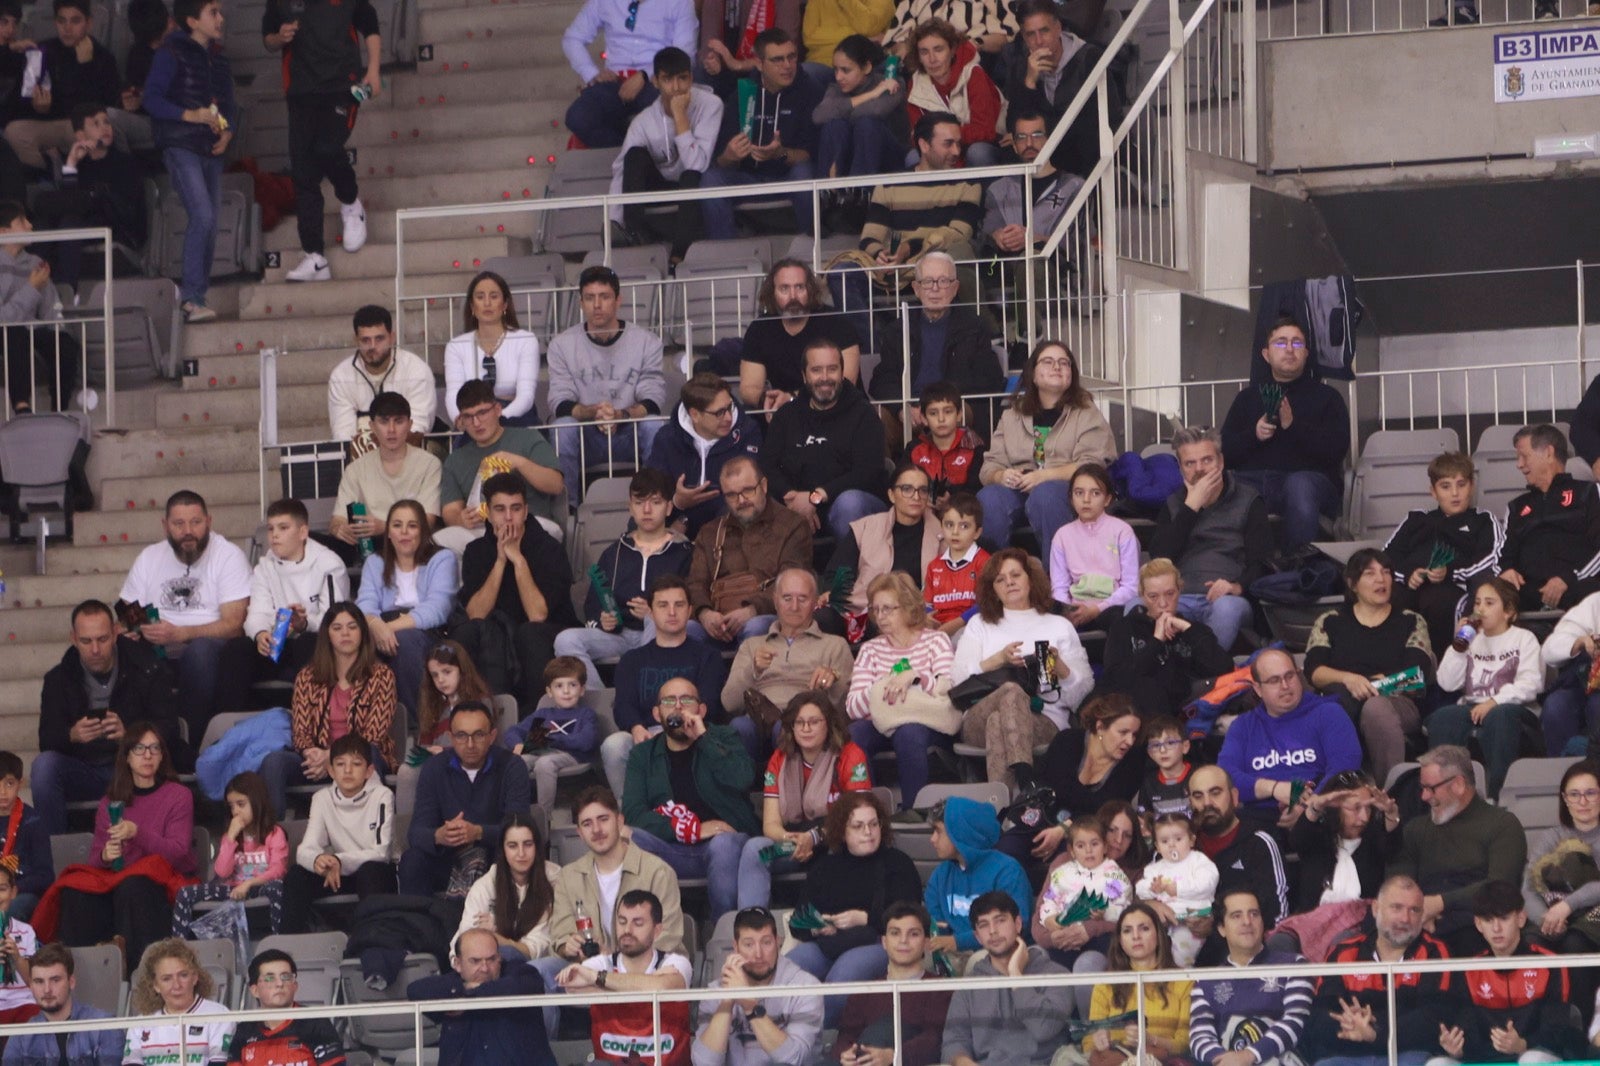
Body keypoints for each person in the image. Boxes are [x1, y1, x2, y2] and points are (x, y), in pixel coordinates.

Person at [46, 725, 193, 977]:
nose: (147, 755)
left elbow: (178, 852)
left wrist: (137, 833)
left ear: (161, 756)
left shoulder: (179, 795)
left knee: (133, 886)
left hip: (160, 882)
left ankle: (141, 975)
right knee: (74, 890)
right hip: (118, 881)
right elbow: (95, 859)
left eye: (154, 749)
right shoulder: (110, 802)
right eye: (139, 749)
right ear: (126, 756)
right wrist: (106, 855)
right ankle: (83, 976)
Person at [36, 598, 181, 834]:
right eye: (86, 641)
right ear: (73, 639)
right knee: (44, 767)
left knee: (149, 763)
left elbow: (169, 728)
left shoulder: (147, 667)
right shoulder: (58, 679)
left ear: (115, 633)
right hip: (84, 769)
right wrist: (71, 735)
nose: (95, 649)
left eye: (102, 639)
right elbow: (46, 740)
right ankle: (54, 856)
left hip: (132, 767)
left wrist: (131, 736)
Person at [116, 489, 250, 741]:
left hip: (209, 649)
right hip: (157, 648)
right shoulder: (149, 557)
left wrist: (181, 633)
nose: (188, 531)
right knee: (122, 646)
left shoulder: (228, 556)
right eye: (179, 524)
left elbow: (234, 625)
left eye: (196, 522)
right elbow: (125, 613)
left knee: (199, 651)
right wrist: (136, 628)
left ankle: (190, 740)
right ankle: (135, 743)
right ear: (165, 526)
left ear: (209, 521)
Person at [951, 548, 1093, 785]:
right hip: (978, 718)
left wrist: (1059, 667)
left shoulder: (1058, 626)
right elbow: (956, 678)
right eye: (1000, 579)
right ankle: (1027, 783)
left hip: (1044, 720)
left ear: (1031, 579)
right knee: (1010, 691)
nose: (1009, 582)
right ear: (993, 590)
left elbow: (1082, 695)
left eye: (1015, 575)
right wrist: (997, 660)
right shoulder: (979, 624)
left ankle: (1005, 809)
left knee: (999, 722)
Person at [262, 0, 379, 284]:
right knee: (303, 174)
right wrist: (280, 37)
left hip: (345, 87)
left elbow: (369, 22)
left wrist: (373, 70)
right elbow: (268, 37)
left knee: (327, 148)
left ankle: (351, 203)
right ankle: (314, 256)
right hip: (301, 92)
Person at [622, 677, 756, 920]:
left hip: (726, 845)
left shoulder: (725, 737)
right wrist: (691, 830)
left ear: (701, 710)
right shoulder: (643, 755)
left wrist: (703, 740)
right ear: (656, 713)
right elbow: (633, 814)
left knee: (723, 844)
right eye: (669, 701)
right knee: (628, 837)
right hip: (673, 847)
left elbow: (743, 779)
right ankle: (648, 931)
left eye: (686, 699)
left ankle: (725, 936)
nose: (678, 707)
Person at [1304, 548, 1437, 786]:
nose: (1381, 579)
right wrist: (1349, 679)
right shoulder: (1330, 621)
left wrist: (1371, 684)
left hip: (1397, 702)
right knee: (1333, 707)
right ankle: (1335, 789)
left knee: (1374, 707)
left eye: (1386, 572)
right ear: (1352, 583)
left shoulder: (1410, 620)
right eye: (1370, 573)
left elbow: (1415, 675)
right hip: (1345, 697)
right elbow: (1314, 671)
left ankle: (1390, 792)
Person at [1220, 317, 1350, 550]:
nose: (1290, 349)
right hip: (1256, 482)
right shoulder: (1247, 399)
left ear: (1306, 353)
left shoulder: (1328, 397)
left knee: (1298, 485)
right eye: (1281, 343)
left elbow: (1336, 450)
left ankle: (1299, 570)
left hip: (1311, 484)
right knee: (1219, 484)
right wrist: (1254, 434)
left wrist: (1293, 427)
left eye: (1297, 344)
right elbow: (1225, 454)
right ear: (1266, 354)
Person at [552, 468, 691, 687]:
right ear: (630, 507)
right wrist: (603, 620)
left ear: (668, 507)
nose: (646, 510)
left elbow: (689, 603)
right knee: (566, 640)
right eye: (639, 502)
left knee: (659, 626)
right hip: (619, 634)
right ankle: (604, 704)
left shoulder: (682, 551)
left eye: (655, 502)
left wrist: (654, 613)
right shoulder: (615, 552)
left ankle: (642, 698)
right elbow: (594, 601)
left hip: (659, 630)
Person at [456, 471, 580, 712]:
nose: (509, 517)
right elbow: (475, 613)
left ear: (525, 511)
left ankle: (534, 719)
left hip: (548, 631)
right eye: (500, 509)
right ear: (489, 514)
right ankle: (484, 715)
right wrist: (501, 561)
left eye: (515, 508)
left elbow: (538, 615)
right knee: (475, 632)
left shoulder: (548, 549)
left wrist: (519, 560)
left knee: (528, 633)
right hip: (498, 634)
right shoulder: (476, 551)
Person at [737, 691, 873, 909]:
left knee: (841, 850)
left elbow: (856, 816)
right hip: (792, 845)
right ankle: (753, 924)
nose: (806, 729)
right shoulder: (779, 758)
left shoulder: (850, 754)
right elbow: (770, 824)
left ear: (828, 724)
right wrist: (792, 838)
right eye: (799, 723)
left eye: (814, 722)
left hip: (834, 841)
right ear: (790, 727)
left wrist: (814, 837)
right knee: (755, 849)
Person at [977, 340, 1116, 552]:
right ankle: (995, 576)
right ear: (1033, 374)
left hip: (1064, 489)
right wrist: (1001, 476)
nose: (1057, 367)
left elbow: (1092, 465)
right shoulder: (1011, 416)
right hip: (1018, 489)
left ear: (1072, 374)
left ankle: (1056, 579)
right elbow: (989, 467)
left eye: (1064, 362)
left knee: (1046, 495)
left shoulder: (1087, 413)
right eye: (1048, 361)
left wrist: (1044, 476)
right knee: (990, 498)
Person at [1388, 744, 1526, 954]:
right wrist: (1418, 910)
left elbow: (1501, 885)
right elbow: (1399, 879)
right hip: (1419, 923)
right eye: (1422, 788)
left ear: (1459, 784)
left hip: (1476, 926)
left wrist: (1440, 903)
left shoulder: (1502, 824)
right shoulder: (1415, 829)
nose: (1424, 797)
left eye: (1430, 788)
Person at [547, 264, 668, 504]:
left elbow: (653, 399)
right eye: (590, 298)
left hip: (629, 433)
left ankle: (657, 502)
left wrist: (620, 414)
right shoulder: (561, 345)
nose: (597, 305)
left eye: (604, 297)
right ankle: (567, 510)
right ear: (581, 302)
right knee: (562, 427)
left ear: (618, 300)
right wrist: (594, 413)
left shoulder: (646, 342)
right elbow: (559, 402)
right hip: (587, 434)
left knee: (654, 425)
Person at [264, 602, 397, 816]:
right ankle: (275, 839)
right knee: (274, 762)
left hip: (361, 758)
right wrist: (314, 754)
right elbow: (301, 732)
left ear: (362, 633)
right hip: (317, 762)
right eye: (337, 628)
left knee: (369, 752)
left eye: (352, 627)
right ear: (327, 635)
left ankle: (376, 828)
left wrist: (331, 756)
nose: (345, 633)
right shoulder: (307, 677)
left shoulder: (381, 676)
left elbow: (373, 735)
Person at [1303, 875, 1452, 1066]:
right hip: (1347, 1056)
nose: (1405, 919)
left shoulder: (1434, 952)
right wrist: (1351, 1024)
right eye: (1396, 908)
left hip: (1410, 1056)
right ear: (1375, 909)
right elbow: (1318, 1017)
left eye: (1414, 910)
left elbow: (1434, 1019)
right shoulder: (1344, 952)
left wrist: (1375, 1031)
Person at [602, 574, 728, 797]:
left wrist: (684, 728)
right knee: (614, 745)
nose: (672, 612)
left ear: (690, 611)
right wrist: (636, 728)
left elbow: (709, 704)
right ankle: (629, 817)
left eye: (679, 605)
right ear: (650, 611)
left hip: (693, 731)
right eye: (663, 605)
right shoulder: (632, 660)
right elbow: (623, 705)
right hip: (646, 735)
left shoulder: (708, 657)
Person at [1150, 425, 1273, 653]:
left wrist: (1237, 586)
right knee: (1133, 606)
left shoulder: (1248, 500)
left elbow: (1262, 562)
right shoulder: (1174, 504)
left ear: (1221, 462)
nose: (1200, 469)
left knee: (1227, 609)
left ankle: (1204, 670)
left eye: (1207, 460)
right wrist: (1191, 507)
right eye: (1190, 463)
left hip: (1226, 599)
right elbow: (1159, 559)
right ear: (1180, 468)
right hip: (1178, 598)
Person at [220, 497, 349, 711]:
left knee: (308, 642)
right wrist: (261, 634)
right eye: (270, 529)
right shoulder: (265, 566)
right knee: (237, 649)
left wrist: (304, 624)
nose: (275, 535)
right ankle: (230, 724)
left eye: (283, 528)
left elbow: (336, 620)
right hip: (277, 645)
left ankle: (311, 723)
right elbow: (256, 613)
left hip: (315, 645)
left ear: (303, 532)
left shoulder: (329, 564)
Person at [1437, 880, 1585, 1066]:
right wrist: (1457, 1049)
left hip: (1536, 1052)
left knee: (1531, 1060)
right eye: (1488, 920)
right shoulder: (1469, 970)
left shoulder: (1549, 964)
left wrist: (1523, 1044)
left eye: (1504, 918)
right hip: (1485, 1059)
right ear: (1478, 924)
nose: (1496, 928)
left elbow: (1559, 1029)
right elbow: (1466, 1026)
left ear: (1521, 919)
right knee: (1438, 1064)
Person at [784, 791, 917, 989]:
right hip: (828, 943)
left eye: (873, 824)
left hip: (878, 942)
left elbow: (910, 917)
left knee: (841, 979)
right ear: (842, 830)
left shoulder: (898, 864)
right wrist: (817, 926)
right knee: (785, 971)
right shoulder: (825, 867)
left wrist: (864, 919)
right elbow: (797, 921)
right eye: (858, 826)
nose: (868, 832)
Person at [846, 571, 955, 809]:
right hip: (879, 723)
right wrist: (886, 684)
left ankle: (915, 810)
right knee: (854, 734)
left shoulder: (935, 641)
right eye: (876, 610)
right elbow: (853, 707)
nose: (880, 616)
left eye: (888, 609)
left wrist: (915, 676)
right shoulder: (870, 650)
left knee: (908, 732)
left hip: (924, 723)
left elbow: (947, 688)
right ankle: (867, 809)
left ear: (907, 607)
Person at [760, 339, 888, 543]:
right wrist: (790, 495)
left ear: (842, 372)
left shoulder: (864, 414)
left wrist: (817, 496)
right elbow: (767, 465)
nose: (825, 378)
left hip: (849, 506)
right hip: (794, 505)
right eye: (816, 370)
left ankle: (850, 572)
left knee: (850, 503)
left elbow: (868, 471)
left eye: (832, 369)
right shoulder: (786, 415)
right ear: (804, 375)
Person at [1217, 647, 1363, 823]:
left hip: (1319, 812)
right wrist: (1275, 788)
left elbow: (1344, 766)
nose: (1285, 686)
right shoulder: (1242, 726)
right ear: (1258, 689)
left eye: (1290, 676)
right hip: (1259, 818)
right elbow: (1224, 777)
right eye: (1274, 680)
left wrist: (1307, 807)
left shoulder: (1328, 712)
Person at [700, 29, 822, 240]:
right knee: (711, 179)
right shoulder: (743, 92)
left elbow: (810, 156)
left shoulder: (809, 90)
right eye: (777, 59)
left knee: (804, 174)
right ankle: (726, 257)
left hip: (788, 177)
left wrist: (780, 154)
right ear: (759, 63)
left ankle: (813, 244)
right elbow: (721, 161)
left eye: (791, 57)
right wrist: (728, 156)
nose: (787, 66)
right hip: (748, 177)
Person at [547, 786, 687, 971]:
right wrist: (569, 945)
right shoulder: (568, 876)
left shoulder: (657, 872)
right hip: (589, 970)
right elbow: (560, 934)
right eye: (587, 824)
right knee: (542, 970)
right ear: (579, 833)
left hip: (648, 971)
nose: (596, 829)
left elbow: (668, 937)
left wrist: (616, 962)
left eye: (603, 819)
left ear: (620, 822)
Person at [400, 701, 531, 897]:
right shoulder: (434, 768)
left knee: (509, 855)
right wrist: (439, 835)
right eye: (461, 736)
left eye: (478, 735)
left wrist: (478, 832)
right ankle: (420, 925)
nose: (470, 744)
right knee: (412, 860)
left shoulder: (512, 766)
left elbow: (519, 827)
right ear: (450, 738)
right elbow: (416, 833)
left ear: (492, 736)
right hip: (448, 859)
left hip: (493, 858)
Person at [1427, 577, 1543, 797]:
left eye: (1489, 603)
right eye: (1477, 603)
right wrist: (1458, 647)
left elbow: (1531, 684)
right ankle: (1444, 792)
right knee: (1443, 717)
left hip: (1514, 708)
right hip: (1473, 706)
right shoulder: (1471, 640)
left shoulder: (1523, 638)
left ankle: (1498, 795)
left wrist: (1494, 701)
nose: (1480, 609)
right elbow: (1447, 683)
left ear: (1508, 611)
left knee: (1500, 717)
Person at [722, 567, 850, 762]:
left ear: (815, 601)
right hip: (758, 721)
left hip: (805, 724)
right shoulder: (752, 645)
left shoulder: (834, 645)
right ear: (775, 600)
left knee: (783, 728)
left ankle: (786, 790)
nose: (794, 606)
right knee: (739, 727)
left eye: (803, 599)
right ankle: (741, 792)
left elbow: (848, 710)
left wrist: (833, 680)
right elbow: (729, 703)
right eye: (787, 598)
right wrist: (753, 670)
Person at [686, 456, 813, 649]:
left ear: (763, 485)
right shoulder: (709, 532)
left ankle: (747, 678)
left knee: (755, 627)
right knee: (684, 629)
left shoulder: (793, 525)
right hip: (717, 620)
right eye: (731, 495)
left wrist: (752, 610)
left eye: (747, 490)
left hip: (766, 615)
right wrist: (704, 613)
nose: (741, 500)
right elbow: (695, 583)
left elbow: (792, 583)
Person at [1383, 450, 1502, 656]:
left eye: (1461, 485)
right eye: (1445, 486)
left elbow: (1491, 560)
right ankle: (1402, 678)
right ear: (1433, 491)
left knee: (1438, 602)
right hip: (1411, 588)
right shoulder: (1416, 519)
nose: (1455, 493)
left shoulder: (1483, 521)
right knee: (1391, 600)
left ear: (1471, 487)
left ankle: (1444, 676)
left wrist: (1450, 572)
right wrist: (1409, 573)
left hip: (1458, 589)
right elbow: (1387, 558)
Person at [556, 889, 694, 1066]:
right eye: (622, 922)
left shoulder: (677, 962)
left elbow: (664, 987)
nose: (627, 930)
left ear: (657, 930)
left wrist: (598, 980)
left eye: (638, 923)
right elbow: (573, 988)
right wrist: (648, 983)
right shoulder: (600, 965)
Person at [279, 732, 397, 932]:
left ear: (369, 771)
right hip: (336, 873)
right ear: (331, 771)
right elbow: (305, 849)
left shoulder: (382, 795)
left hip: (375, 872)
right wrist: (318, 861)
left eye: (356, 764)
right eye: (341, 764)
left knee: (371, 871)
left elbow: (381, 853)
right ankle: (292, 944)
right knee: (297, 875)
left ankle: (374, 939)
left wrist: (339, 861)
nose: (348, 771)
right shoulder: (322, 798)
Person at [940, 890, 1072, 1066]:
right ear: (978, 937)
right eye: (984, 925)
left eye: (1000, 920)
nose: (993, 931)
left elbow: (1043, 1028)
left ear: (1017, 924)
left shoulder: (1057, 975)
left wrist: (1015, 975)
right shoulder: (969, 986)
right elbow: (953, 1041)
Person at [610, 48, 719, 258]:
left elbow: (696, 165)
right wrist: (613, 223)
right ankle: (634, 235)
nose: (676, 87)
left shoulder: (711, 105)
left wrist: (680, 117)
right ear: (655, 82)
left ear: (692, 78)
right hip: (660, 187)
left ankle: (678, 256)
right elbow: (621, 171)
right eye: (668, 80)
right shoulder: (644, 121)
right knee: (634, 155)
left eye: (683, 78)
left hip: (697, 187)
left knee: (690, 176)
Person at [355, 499, 459, 720]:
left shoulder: (441, 558)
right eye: (397, 525)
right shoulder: (375, 562)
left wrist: (387, 628)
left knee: (406, 640)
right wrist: (375, 625)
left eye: (412, 526)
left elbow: (437, 609)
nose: (404, 532)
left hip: (430, 632)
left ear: (422, 531)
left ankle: (418, 723)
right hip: (380, 629)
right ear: (388, 532)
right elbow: (364, 605)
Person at [870, 253, 1003, 425]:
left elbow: (990, 378)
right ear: (916, 289)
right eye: (927, 282)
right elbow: (883, 379)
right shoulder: (897, 329)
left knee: (960, 415)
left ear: (955, 288)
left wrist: (943, 406)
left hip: (954, 406)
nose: (935, 289)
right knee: (875, 419)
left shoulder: (974, 327)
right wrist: (902, 409)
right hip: (911, 410)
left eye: (943, 281)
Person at [1187, 889, 1313, 1066]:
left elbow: (1295, 1022)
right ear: (1221, 928)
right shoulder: (1206, 981)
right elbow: (1199, 1036)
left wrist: (1248, 1056)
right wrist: (1226, 1061)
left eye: (1254, 914)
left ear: (1262, 922)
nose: (1247, 922)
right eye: (1236, 916)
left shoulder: (1294, 966)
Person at [1095, 559, 1233, 719]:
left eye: (1170, 594)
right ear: (1142, 596)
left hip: (1184, 711)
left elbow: (1224, 668)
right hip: (1134, 712)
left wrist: (1188, 629)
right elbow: (1117, 679)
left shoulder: (1194, 630)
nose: (1163, 603)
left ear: (1179, 590)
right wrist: (1156, 641)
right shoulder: (1125, 627)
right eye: (1153, 596)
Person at [437, 380, 567, 549]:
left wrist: (519, 463)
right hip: (481, 532)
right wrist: (461, 519)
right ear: (461, 419)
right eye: (468, 417)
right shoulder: (456, 459)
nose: (476, 423)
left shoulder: (528, 439)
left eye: (482, 413)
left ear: (497, 410)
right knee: (440, 540)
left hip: (530, 524)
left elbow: (556, 485)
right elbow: (450, 510)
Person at [32, 103, 146, 292]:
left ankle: (68, 290)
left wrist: (93, 196)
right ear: (80, 136)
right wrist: (71, 164)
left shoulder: (125, 162)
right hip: (87, 222)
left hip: (118, 228)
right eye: (96, 124)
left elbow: (127, 212)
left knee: (69, 223)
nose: (105, 127)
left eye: (106, 122)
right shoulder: (82, 165)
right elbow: (68, 202)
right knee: (44, 222)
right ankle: (35, 288)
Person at [693, 907, 826, 1066]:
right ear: (735, 947)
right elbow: (703, 1063)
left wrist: (749, 1005)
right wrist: (727, 1001)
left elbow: (793, 1058)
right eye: (748, 944)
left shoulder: (805, 988)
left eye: (766, 942)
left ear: (778, 942)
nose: (758, 954)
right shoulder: (716, 992)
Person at [1001, 0, 1121, 177]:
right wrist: (1029, 82)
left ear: (1058, 28)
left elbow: (1103, 120)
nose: (1039, 41)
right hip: (1044, 154)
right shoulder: (1022, 67)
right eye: (1031, 35)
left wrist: (1040, 133)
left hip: (1084, 153)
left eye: (1044, 31)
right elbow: (1013, 126)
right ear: (1025, 38)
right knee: (1005, 152)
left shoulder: (1089, 58)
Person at [408, 927, 557, 1066]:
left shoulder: (521, 974)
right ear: (458, 964)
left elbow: (525, 985)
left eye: (491, 959)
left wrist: (469, 996)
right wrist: (465, 988)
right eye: (475, 961)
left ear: (499, 957)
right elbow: (415, 991)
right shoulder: (453, 984)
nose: (485, 968)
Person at [830, 902, 954, 1066]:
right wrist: (846, 1054)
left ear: (926, 943)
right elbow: (846, 1036)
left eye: (913, 934)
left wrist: (894, 1056)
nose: (903, 940)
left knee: (886, 1029)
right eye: (895, 933)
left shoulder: (941, 989)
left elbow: (935, 1039)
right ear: (884, 942)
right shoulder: (864, 991)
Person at [1186, 765, 1290, 959]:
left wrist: (1218, 925)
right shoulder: (1181, 845)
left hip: (1247, 957)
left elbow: (1278, 916)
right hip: (1182, 957)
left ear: (1234, 796)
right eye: (1198, 796)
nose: (1207, 803)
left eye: (1215, 793)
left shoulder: (1259, 842)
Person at [561, 0, 696, 149]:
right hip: (615, 81)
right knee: (578, 117)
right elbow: (572, 38)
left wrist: (645, 74)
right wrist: (592, 74)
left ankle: (640, 159)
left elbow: (684, 52)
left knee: (665, 116)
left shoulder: (679, 2)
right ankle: (624, 155)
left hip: (657, 81)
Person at [3, 0, 120, 170]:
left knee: (94, 130)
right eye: (62, 21)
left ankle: (77, 175)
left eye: (75, 21)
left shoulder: (103, 58)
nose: (67, 28)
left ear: (88, 23)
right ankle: (49, 173)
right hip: (49, 124)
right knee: (15, 132)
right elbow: (20, 97)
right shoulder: (44, 50)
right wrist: (38, 108)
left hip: (82, 126)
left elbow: (102, 107)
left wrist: (85, 66)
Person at [1498, 423, 1600, 612]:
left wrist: (1567, 578)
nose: (1519, 464)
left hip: (1578, 586)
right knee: (1488, 599)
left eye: (1524, 456)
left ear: (1548, 453)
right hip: (1527, 592)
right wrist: (1506, 571)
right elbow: (1503, 556)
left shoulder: (1589, 493)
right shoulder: (1516, 507)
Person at [648, 371, 764, 538]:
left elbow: (745, 494)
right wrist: (677, 502)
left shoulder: (748, 432)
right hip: (675, 520)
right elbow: (651, 492)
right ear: (695, 415)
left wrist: (686, 517)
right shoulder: (667, 438)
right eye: (719, 413)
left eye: (729, 407)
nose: (728, 417)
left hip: (728, 524)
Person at [171, 771, 286, 937]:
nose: (236, 812)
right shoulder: (230, 836)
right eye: (232, 806)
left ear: (257, 801)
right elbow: (222, 872)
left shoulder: (274, 833)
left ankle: (279, 940)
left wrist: (249, 884)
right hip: (232, 889)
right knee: (185, 893)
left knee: (278, 887)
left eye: (241, 804)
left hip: (259, 887)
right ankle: (179, 948)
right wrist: (230, 838)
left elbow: (278, 870)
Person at [738, 260, 862, 413]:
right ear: (772, 293)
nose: (793, 296)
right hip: (786, 415)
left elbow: (847, 382)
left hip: (838, 409)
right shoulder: (759, 329)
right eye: (784, 289)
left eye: (800, 287)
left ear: (810, 290)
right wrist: (770, 400)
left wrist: (792, 398)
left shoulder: (837, 323)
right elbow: (749, 388)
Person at [332, 393, 443, 557]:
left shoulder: (429, 464)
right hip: (367, 544)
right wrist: (341, 529)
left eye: (398, 421)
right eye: (384, 422)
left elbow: (427, 522)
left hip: (412, 542)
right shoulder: (355, 469)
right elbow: (337, 520)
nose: (391, 430)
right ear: (372, 426)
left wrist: (385, 527)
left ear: (410, 424)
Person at [824, 463, 941, 619]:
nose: (916, 496)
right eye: (907, 489)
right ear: (891, 495)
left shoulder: (942, 533)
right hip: (865, 611)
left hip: (916, 616)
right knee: (824, 617)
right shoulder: (866, 527)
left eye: (923, 490)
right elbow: (837, 574)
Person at [1081, 904, 1192, 1066]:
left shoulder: (1183, 981)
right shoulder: (1106, 984)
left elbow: (1185, 1044)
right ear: (1120, 940)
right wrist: (1097, 1041)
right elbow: (1088, 1043)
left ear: (1158, 934)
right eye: (1127, 930)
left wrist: (1151, 1039)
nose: (1135, 936)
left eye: (1144, 928)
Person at [1286, 770, 1402, 918]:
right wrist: (1316, 807)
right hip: (1313, 923)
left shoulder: (1374, 838)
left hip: (1362, 927)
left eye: (1368, 808)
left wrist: (1391, 813)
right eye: (1355, 808)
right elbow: (1297, 840)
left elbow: (1393, 846)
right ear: (1336, 807)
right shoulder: (1318, 838)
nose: (1364, 818)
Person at [924, 797, 1032, 954]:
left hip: (1000, 952)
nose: (932, 839)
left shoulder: (1007, 871)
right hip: (951, 953)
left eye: (938, 831)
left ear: (959, 833)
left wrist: (957, 942)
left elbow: (1016, 926)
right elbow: (936, 924)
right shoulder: (940, 875)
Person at [456, 812, 560, 962]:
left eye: (528, 844)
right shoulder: (486, 884)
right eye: (512, 846)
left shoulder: (555, 879)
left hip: (538, 968)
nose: (521, 853)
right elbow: (465, 943)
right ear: (503, 849)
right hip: (488, 966)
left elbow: (534, 950)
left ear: (537, 846)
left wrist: (494, 936)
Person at [327, 305, 438, 442]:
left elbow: (418, 428)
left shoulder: (416, 369)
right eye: (365, 340)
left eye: (379, 339)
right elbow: (343, 435)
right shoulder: (341, 376)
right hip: (360, 458)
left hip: (410, 453)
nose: (372, 346)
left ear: (392, 338)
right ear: (356, 340)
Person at [0, 941, 121, 1066]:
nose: (47, 989)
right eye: (39, 981)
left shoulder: (104, 1027)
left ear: (71, 982)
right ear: (31, 986)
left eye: (55, 980)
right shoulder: (21, 1037)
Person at [442, 271, 539, 426]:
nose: (487, 303)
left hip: (513, 417)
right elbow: (453, 394)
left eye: (494, 296)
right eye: (480, 297)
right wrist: (460, 418)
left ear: (505, 304)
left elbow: (526, 396)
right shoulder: (456, 346)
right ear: (472, 306)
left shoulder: (525, 340)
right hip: (472, 419)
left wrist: (496, 418)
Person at [1033, 816, 1133, 968]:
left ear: (1105, 847)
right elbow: (1049, 901)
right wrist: (1049, 919)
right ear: (1072, 851)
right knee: (1045, 957)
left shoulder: (1115, 876)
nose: (1088, 850)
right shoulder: (1062, 873)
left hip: (1099, 939)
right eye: (1080, 846)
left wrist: (1105, 913)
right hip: (1064, 935)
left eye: (1095, 844)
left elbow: (1125, 910)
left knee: (1102, 948)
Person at [1049, 463, 1140, 628]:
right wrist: (1067, 611)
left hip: (1112, 607)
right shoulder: (1062, 536)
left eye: (1095, 493)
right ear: (1071, 498)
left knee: (1121, 620)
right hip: (1075, 608)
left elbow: (1131, 586)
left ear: (1107, 499)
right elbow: (1060, 587)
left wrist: (1097, 609)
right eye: (1079, 493)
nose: (1086, 500)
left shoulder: (1122, 531)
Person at [982, 109, 1084, 256]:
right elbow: (987, 233)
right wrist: (997, 235)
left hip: (1055, 271)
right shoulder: (999, 189)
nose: (1029, 143)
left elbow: (1077, 243)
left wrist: (1033, 239)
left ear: (1050, 140)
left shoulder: (1074, 187)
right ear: (1015, 146)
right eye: (1021, 137)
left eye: (1036, 135)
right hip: (1007, 271)